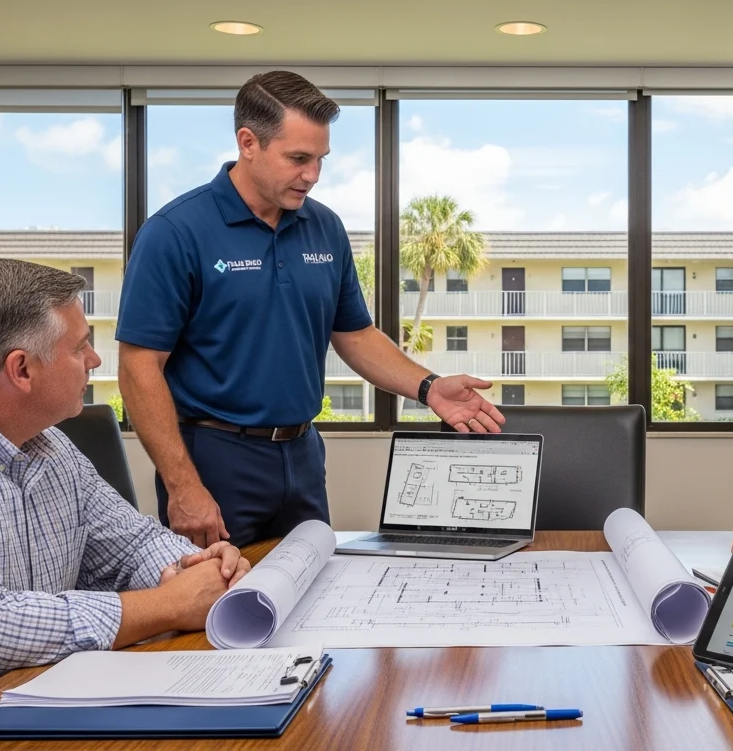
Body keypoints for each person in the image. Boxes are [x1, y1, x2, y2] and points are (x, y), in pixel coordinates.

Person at [117, 71, 506, 549]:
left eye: (320, 159)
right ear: (248, 142)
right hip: (215, 457)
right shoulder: (175, 231)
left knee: (311, 599)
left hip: (302, 453)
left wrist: (429, 388)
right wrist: (182, 486)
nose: (313, 175)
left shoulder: (325, 227)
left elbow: (356, 335)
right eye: (298, 158)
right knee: (217, 613)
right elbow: (139, 366)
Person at [0, 260, 249, 742]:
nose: (95, 361)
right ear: (22, 369)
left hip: (45, 700)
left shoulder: (49, 444)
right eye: (80, 347)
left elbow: (131, 543)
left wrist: (194, 569)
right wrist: (168, 604)